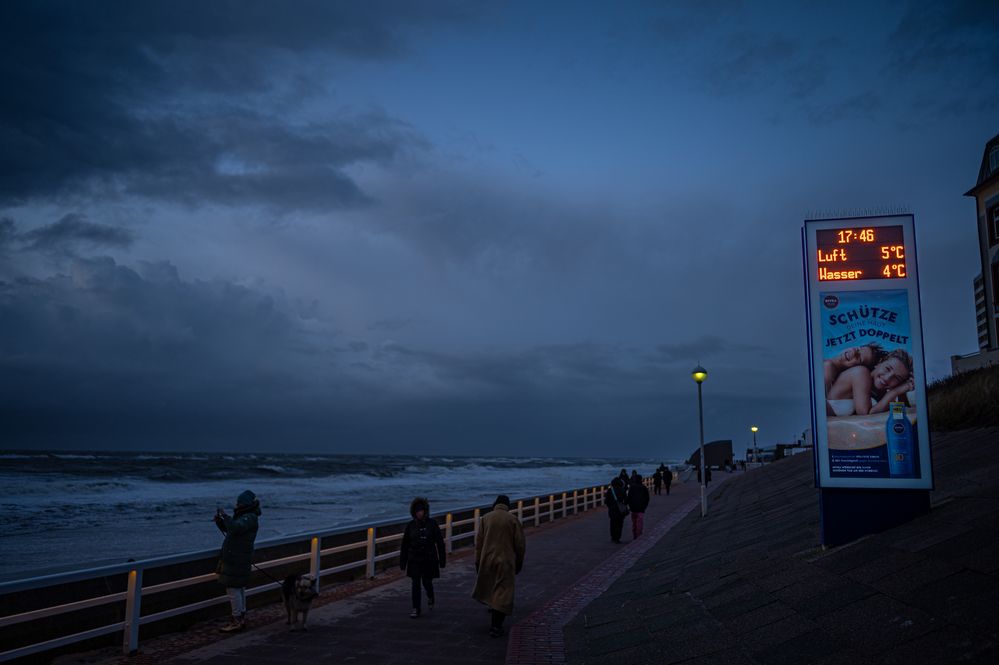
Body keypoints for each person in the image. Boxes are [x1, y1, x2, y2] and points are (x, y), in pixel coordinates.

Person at [472, 495, 525, 638]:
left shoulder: (486, 518)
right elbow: (520, 545)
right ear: (508, 505)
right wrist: (519, 562)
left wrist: (478, 562)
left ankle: (493, 614)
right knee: (503, 592)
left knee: (490, 588)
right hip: (506, 561)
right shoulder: (512, 520)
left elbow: (479, 543)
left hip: (488, 559)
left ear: (495, 504)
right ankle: (496, 626)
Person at [213, 490, 261, 633]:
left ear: (245, 504)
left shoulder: (250, 517)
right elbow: (233, 530)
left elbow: (235, 527)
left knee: (233, 589)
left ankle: (237, 620)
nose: (237, 505)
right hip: (237, 557)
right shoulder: (246, 516)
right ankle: (241, 617)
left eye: (239, 503)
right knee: (238, 588)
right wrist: (220, 522)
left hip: (237, 558)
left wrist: (225, 516)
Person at [827, 348, 914, 416]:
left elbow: (901, 411)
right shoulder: (861, 373)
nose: (888, 378)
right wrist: (895, 392)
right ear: (879, 363)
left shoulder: (879, 390)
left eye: (896, 378)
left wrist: (903, 390)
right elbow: (865, 413)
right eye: (887, 369)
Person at [400, 497, 446, 618]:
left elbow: (440, 542)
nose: (419, 513)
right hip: (414, 559)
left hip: (429, 559)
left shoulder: (432, 523)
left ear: (425, 511)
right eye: (417, 511)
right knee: (415, 583)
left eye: (421, 510)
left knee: (427, 582)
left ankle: (430, 596)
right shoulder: (410, 526)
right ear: (413, 512)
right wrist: (403, 562)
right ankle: (416, 608)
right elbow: (405, 544)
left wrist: (442, 560)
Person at [605, 477, 628, 544]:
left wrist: (610, 506)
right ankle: (617, 538)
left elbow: (606, 501)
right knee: (619, 524)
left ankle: (613, 537)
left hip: (612, 509)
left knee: (612, 523)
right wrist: (623, 505)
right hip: (620, 510)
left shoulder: (610, 490)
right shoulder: (622, 490)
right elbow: (626, 500)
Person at [627, 473, 650, 539]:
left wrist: (630, 505)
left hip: (633, 508)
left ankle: (635, 535)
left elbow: (629, 497)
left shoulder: (632, 487)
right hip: (641, 508)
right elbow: (647, 498)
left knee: (634, 523)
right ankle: (639, 536)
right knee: (639, 522)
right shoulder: (644, 487)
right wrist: (644, 506)